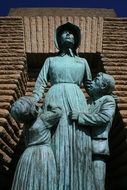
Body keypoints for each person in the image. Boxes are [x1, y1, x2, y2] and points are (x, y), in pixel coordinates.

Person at [32, 22, 96, 189]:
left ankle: (78, 184)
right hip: (55, 98)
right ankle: (54, 183)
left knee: (80, 141)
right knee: (55, 139)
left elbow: (90, 86)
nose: (68, 35)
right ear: (58, 39)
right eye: (64, 33)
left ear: (77, 40)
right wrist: (33, 100)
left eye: (72, 33)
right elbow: (40, 83)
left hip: (77, 100)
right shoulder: (50, 60)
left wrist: (104, 97)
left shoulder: (82, 62)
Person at [70, 72, 116, 190]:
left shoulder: (108, 100)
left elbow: (103, 117)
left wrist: (80, 117)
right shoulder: (88, 102)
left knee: (97, 184)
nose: (92, 82)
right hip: (83, 146)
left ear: (103, 86)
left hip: (97, 147)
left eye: (96, 80)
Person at [11, 96, 62, 190]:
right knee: (41, 181)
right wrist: (54, 106)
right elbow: (58, 113)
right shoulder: (43, 118)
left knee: (26, 181)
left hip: (27, 155)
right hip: (42, 153)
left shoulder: (26, 126)